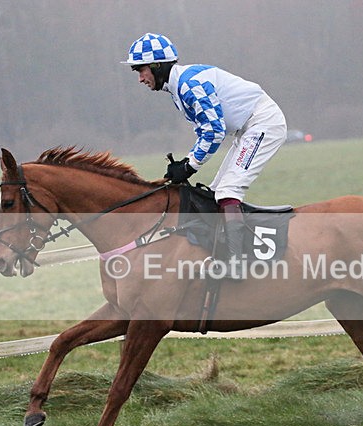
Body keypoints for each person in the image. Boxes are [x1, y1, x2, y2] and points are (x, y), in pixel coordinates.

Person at [122, 33, 287, 276]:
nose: (140, 78)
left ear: (158, 66)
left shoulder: (189, 86)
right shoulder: (179, 87)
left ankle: (236, 263)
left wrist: (189, 166)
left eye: (141, 70)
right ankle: (220, 252)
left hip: (263, 123)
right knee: (215, 190)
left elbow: (214, 130)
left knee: (228, 191)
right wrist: (187, 163)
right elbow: (205, 130)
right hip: (248, 128)